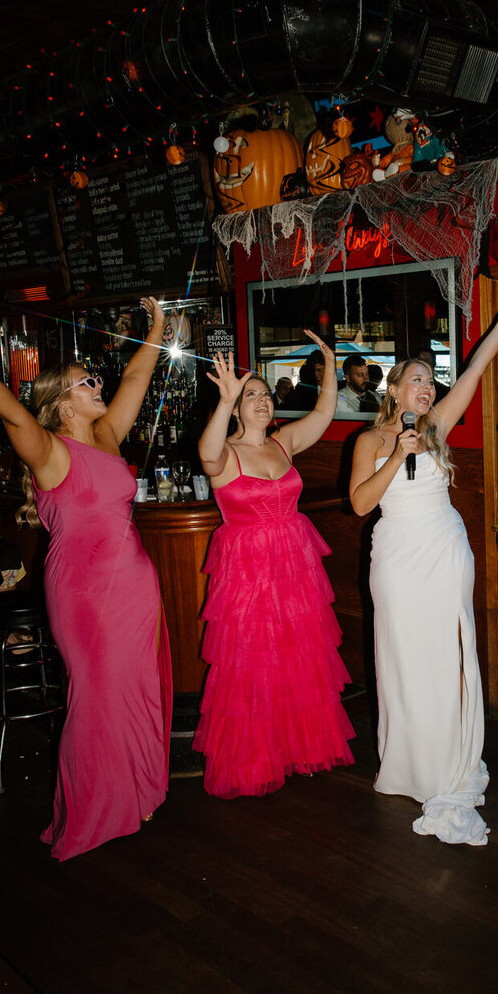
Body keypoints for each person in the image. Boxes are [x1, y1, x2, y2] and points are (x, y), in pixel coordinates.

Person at [0, 298, 172, 861]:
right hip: (85, 592)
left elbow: (135, 373)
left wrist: (156, 327)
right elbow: (13, 415)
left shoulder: (106, 434)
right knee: (96, 697)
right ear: (62, 402)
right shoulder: (49, 450)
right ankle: (92, 814)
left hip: (133, 584)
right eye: (87, 382)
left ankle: (134, 792)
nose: (98, 383)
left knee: (134, 690)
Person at [349, 306, 498, 845]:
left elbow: (471, 374)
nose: (426, 386)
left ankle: (447, 759)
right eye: (414, 379)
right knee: (401, 655)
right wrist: (397, 452)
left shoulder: (436, 425)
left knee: (446, 654)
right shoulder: (370, 442)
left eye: (428, 378)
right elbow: (359, 504)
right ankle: (407, 763)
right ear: (393, 390)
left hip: (445, 550)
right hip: (396, 557)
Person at [194, 331, 355, 798]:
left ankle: (296, 749)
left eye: (266, 394)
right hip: (247, 576)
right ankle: (255, 758)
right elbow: (206, 456)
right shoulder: (226, 453)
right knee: (252, 665)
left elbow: (324, 413)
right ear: (237, 406)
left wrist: (329, 363)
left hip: (293, 569)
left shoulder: (284, 443)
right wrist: (224, 401)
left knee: (298, 660)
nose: (263, 401)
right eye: (253, 396)